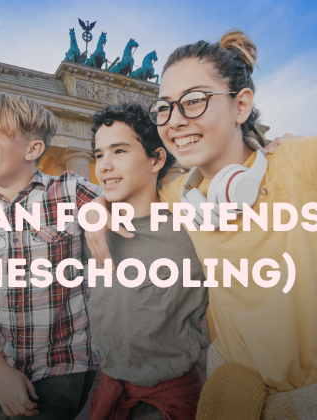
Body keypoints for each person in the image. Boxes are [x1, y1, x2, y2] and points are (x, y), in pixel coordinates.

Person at [86, 29, 317, 419]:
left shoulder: (304, 163)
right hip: (236, 403)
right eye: (164, 108)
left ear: (241, 105)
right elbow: (127, 185)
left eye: (194, 101)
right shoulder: (181, 195)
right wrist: (98, 206)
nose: (175, 120)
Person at [0, 93, 100, 420]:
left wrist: (104, 210)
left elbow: (129, 203)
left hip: (67, 364)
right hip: (13, 362)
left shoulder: (68, 190)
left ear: (32, 150)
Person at [86, 103, 208, 420]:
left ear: (156, 159)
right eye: (99, 155)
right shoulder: (93, 230)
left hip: (171, 404)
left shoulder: (192, 228)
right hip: (111, 400)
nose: (104, 166)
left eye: (119, 151)